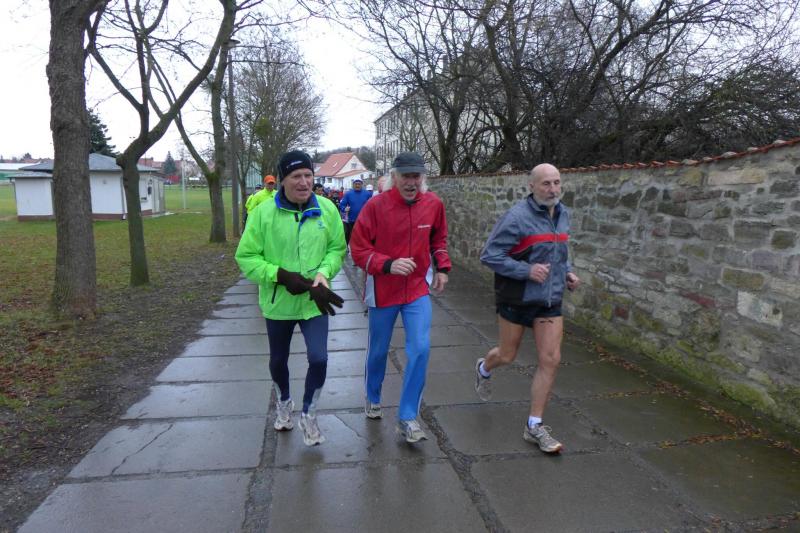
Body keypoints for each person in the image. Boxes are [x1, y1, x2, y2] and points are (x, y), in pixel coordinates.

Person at [235, 150, 346, 446]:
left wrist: (323, 273)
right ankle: (284, 402)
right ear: (282, 180)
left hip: (314, 300)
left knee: (319, 358)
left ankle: (309, 414)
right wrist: (280, 275)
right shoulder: (262, 213)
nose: (304, 182)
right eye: (296, 176)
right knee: (278, 361)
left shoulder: (327, 209)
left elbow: (337, 248)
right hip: (278, 303)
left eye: (308, 175)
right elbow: (246, 257)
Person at [475, 163, 581, 454]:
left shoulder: (562, 214)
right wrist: (527, 270)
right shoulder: (516, 217)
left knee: (551, 359)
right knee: (507, 355)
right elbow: (489, 255)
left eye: (557, 182)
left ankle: (534, 425)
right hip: (517, 297)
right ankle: (484, 367)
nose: (553, 189)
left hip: (550, 300)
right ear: (531, 186)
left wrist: (567, 273)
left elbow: (559, 253)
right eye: (546, 183)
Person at [350, 152, 451, 443]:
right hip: (383, 290)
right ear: (394, 177)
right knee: (378, 350)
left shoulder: (433, 204)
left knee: (420, 348)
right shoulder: (375, 206)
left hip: (417, 289)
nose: (411, 182)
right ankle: (373, 396)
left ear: (423, 178)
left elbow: (438, 239)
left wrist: (442, 269)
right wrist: (388, 265)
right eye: (405, 176)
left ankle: (407, 417)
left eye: (416, 176)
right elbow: (358, 250)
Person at [338, 178, 372, 245]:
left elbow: (372, 205)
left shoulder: (367, 194)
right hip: (352, 220)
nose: (357, 185)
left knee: (363, 236)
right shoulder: (348, 194)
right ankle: (350, 247)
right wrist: (344, 209)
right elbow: (341, 205)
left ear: (362, 185)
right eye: (356, 184)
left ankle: (362, 248)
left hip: (364, 220)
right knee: (352, 236)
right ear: (353, 185)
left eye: (359, 184)